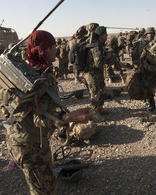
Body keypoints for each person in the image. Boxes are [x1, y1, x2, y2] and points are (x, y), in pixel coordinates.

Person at [6, 30, 93, 195]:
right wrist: (71, 117)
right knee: (45, 191)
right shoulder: (39, 77)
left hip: (27, 139)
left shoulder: (30, 68)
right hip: (29, 145)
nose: (57, 50)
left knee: (46, 186)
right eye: (53, 47)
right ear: (45, 49)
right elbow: (39, 119)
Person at [84, 26, 109, 118]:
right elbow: (98, 63)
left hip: (97, 72)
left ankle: (99, 108)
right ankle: (93, 113)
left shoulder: (100, 44)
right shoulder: (96, 47)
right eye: (105, 34)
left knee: (102, 89)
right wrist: (108, 57)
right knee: (95, 92)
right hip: (92, 73)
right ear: (100, 35)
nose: (106, 35)